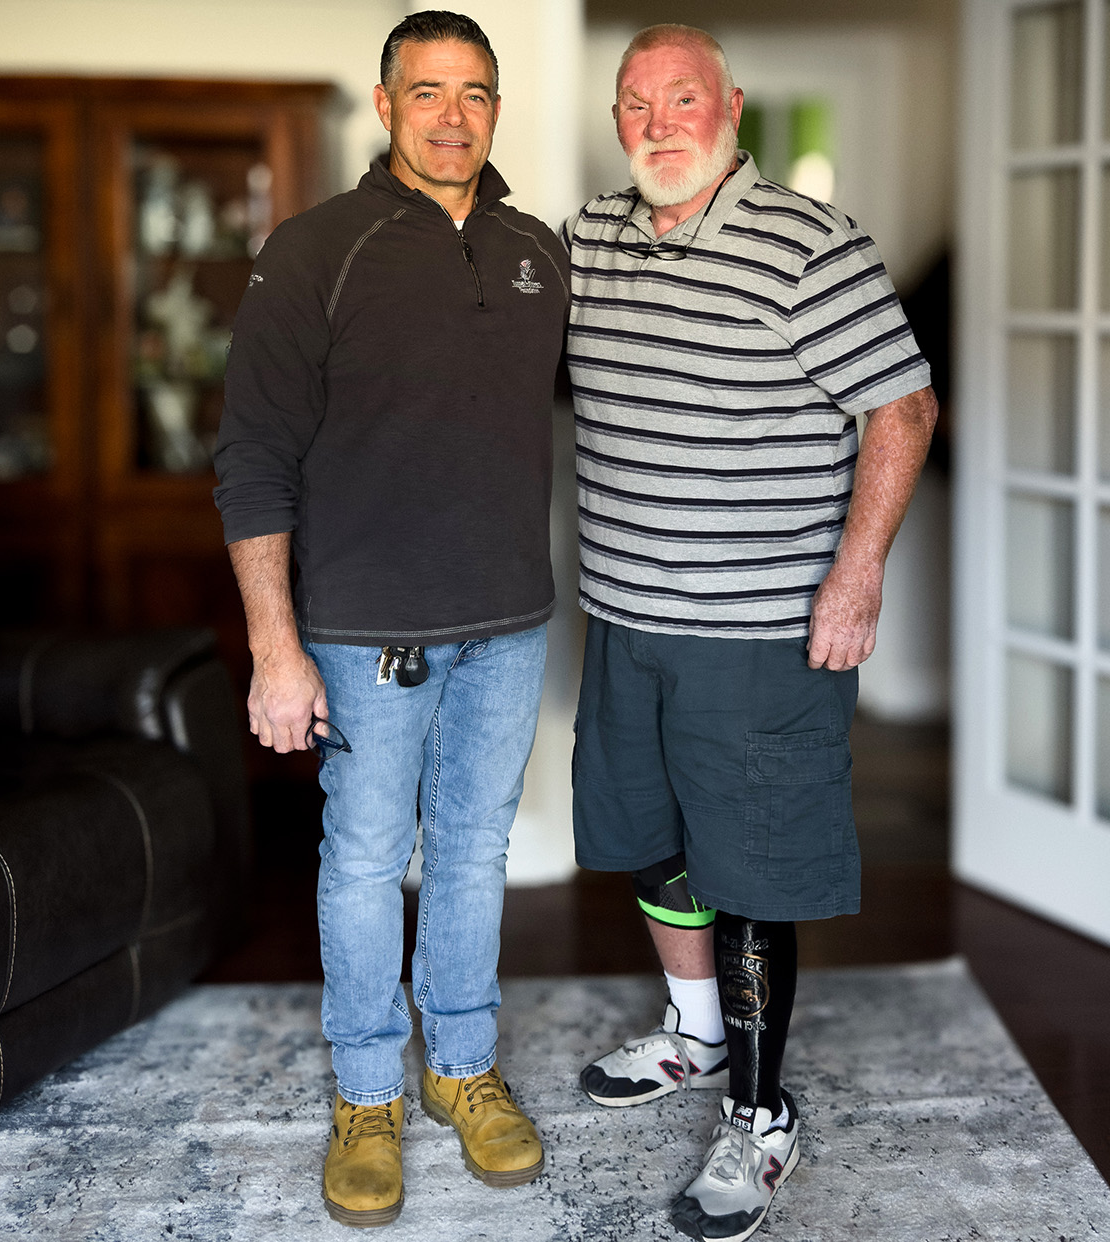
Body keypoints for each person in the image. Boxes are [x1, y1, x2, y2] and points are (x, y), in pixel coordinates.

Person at [563, 23, 938, 1242]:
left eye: (683, 98)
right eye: (636, 102)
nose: (659, 121)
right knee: (653, 843)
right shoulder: (589, 240)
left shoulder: (810, 248)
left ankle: (763, 1114)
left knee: (750, 872)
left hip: (762, 632)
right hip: (626, 617)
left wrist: (858, 574)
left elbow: (904, 409)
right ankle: (695, 1040)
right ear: (617, 119)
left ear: (731, 106)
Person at [213, 10, 568, 1229]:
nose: (452, 114)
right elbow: (252, 457)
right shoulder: (315, 250)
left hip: (511, 622)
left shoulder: (538, 252)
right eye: (428, 92)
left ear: (496, 109)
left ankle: (459, 1069)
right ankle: (367, 1091)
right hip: (366, 634)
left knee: (472, 853)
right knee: (366, 858)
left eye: (474, 92)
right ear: (384, 105)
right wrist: (275, 646)